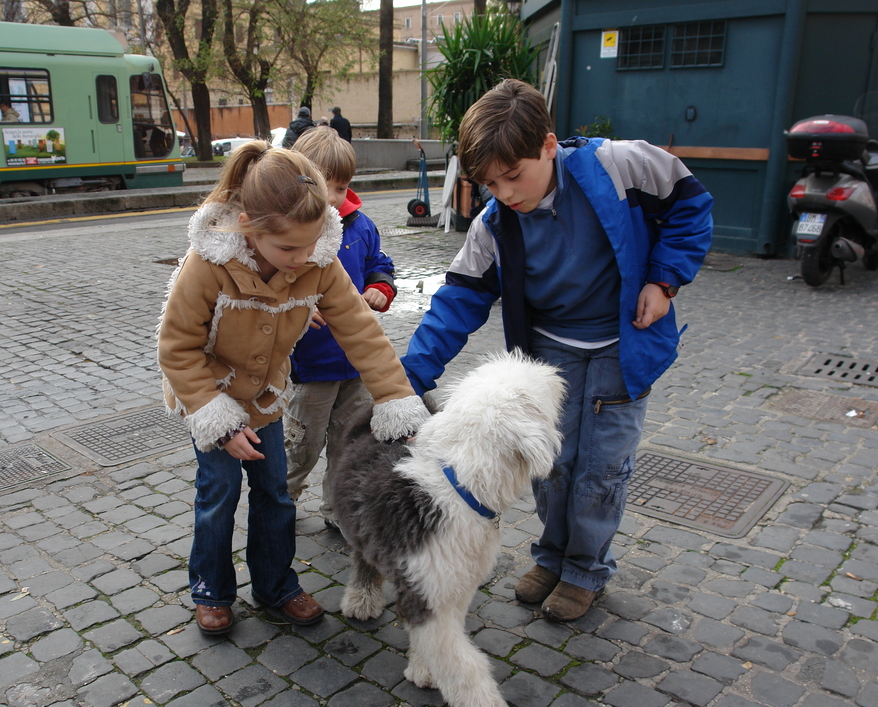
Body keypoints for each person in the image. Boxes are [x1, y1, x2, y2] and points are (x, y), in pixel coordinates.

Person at [401, 79, 713, 623]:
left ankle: (585, 570)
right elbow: (457, 303)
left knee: (603, 466)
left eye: (513, 176)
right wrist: (406, 380)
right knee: (553, 463)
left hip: (624, 345)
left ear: (548, 145)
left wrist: (663, 282)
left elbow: (692, 209)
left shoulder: (625, 166)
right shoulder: (494, 225)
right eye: (490, 184)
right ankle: (551, 556)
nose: (505, 193)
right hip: (550, 355)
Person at [156, 140, 428, 635]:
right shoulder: (207, 265)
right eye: (287, 249)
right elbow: (176, 348)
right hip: (211, 396)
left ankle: (276, 584)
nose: (301, 258)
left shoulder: (316, 258)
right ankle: (212, 590)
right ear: (248, 225)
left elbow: (360, 330)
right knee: (217, 495)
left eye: (310, 246)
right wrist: (217, 422)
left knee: (276, 495)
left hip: (266, 400)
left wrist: (396, 401)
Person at [285, 126, 397, 531]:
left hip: (356, 364)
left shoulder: (362, 226)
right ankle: (282, 501)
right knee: (302, 444)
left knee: (349, 444)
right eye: (324, 185)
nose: (332, 197)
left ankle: (337, 510)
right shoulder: (294, 228)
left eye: (341, 186)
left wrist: (380, 288)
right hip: (312, 365)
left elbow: (380, 265)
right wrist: (296, 308)